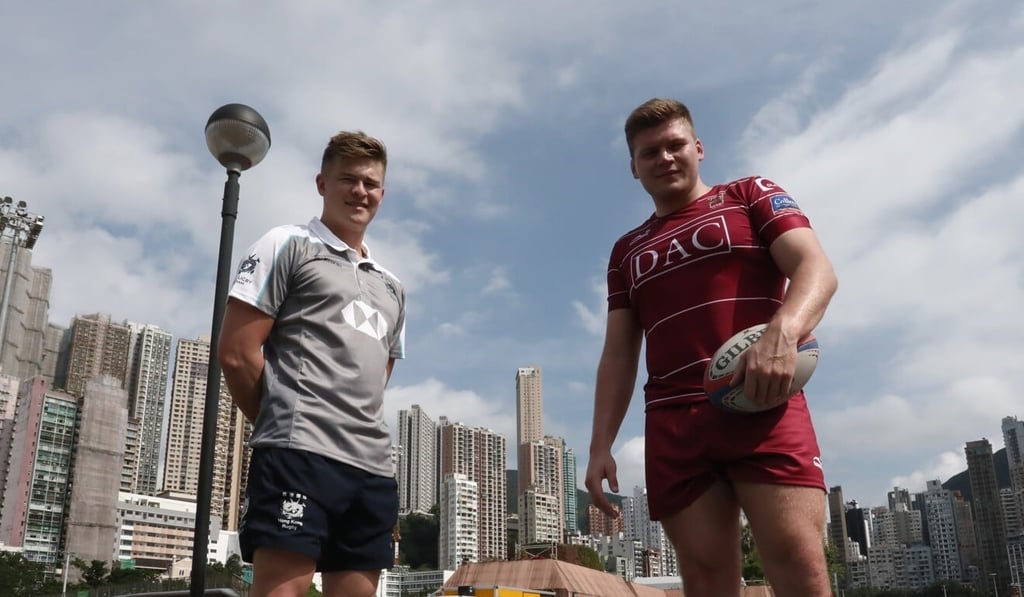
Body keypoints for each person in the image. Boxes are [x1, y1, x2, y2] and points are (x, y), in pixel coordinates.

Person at [584, 98, 838, 597]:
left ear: (698, 148)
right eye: (649, 152)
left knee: (799, 563)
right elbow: (618, 353)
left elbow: (816, 269)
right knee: (704, 580)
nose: (665, 158)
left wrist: (781, 333)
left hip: (763, 399)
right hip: (674, 422)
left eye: (675, 145)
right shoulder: (625, 251)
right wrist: (599, 446)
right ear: (634, 169)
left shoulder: (750, 194)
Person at [219, 130, 406, 597]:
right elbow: (238, 353)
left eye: (370, 183)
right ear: (322, 183)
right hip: (297, 457)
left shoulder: (393, 287)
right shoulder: (287, 243)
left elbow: (378, 377)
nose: (360, 191)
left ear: (382, 193)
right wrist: (284, 419)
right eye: (348, 179)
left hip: (372, 471)